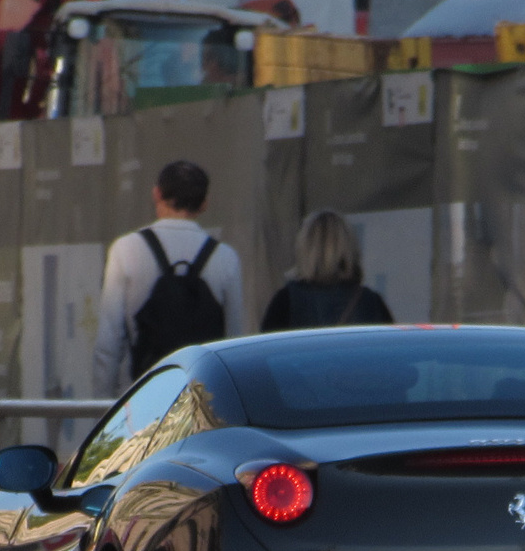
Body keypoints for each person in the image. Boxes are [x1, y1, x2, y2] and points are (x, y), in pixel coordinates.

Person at [92, 160, 244, 398]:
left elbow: (108, 342)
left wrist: (102, 408)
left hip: (142, 395)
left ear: (156, 194)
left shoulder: (126, 249)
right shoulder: (225, 258)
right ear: (204, 204)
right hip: (202, 400)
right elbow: (233, 341)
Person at [260, 210, 393, 332]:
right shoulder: (371, 303)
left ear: (305, 249)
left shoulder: (284, 302)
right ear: (349, 247)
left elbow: (265, 353)